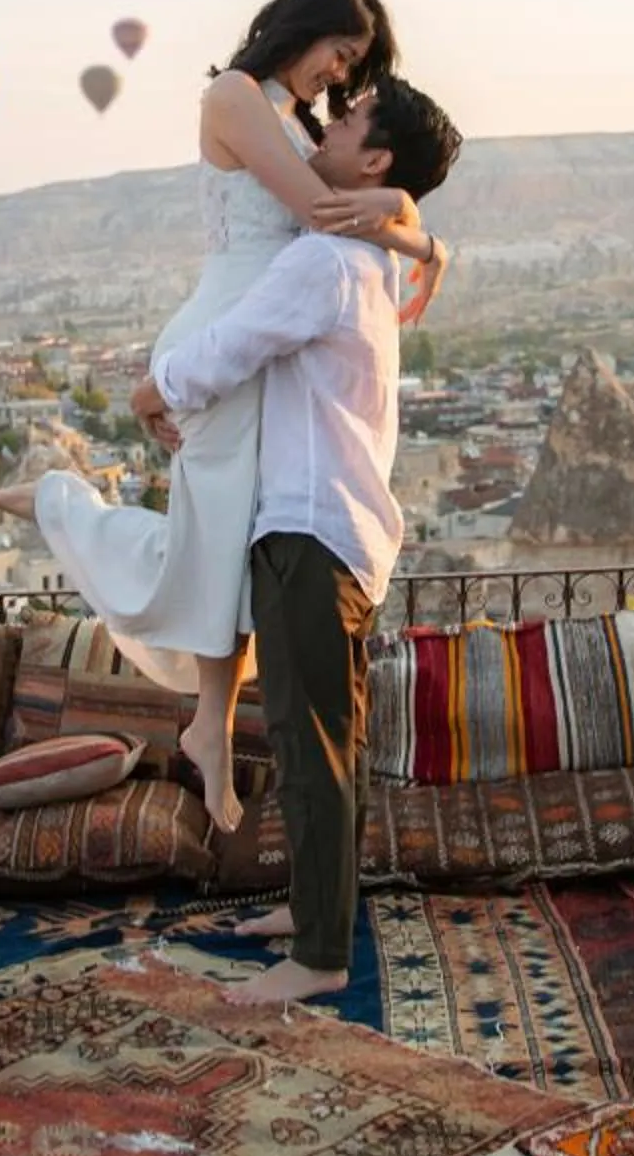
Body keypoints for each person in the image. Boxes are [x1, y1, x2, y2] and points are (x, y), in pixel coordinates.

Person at [0, 0, 449, 833]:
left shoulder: (294, 118)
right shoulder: (235, 96)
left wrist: (411, 223)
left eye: (354, 67)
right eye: (340, 53)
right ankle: (62, 505)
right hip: (218, 344)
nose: (339, 78)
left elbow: (342, 204)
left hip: (260, 347)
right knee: (209, 546)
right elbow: (323, 211)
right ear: (303, 26)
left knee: (230, 547)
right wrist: (418, 228)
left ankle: (207, 723)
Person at [130, 74, 459, 1005]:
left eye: (349, 119)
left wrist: (151, 390)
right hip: (345, 530)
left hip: (309, 532)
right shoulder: (370, 261)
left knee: (306, 745)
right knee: (332, 742)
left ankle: (318, 958)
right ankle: (322, 911)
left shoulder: (324, 264)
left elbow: (235, 342)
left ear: (377, 157)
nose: (329, 121)